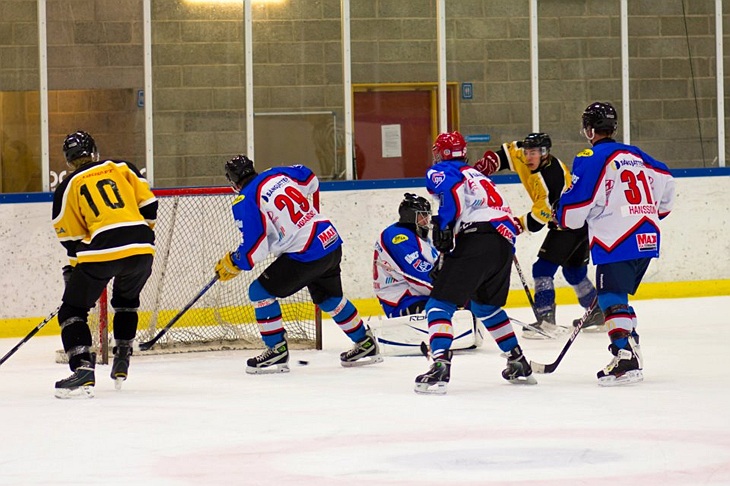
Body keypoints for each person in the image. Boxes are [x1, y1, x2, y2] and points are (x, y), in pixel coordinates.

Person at [213, 155, 383, 374]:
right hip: (329, 239)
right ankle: (366, 343)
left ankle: (276, 350)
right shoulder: (277, 173)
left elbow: (256, 246)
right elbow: (311, 179)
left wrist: (235, 261)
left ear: (233, 181)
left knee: (259, 292)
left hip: (306, 252)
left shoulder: (245, 199)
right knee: (329, 299)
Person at [555, 102, 675, 386]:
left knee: (609, 296)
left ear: (589, 130)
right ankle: (630, 344)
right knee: (618, 297)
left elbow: (575, 209)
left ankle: (625, 356)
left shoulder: (591, 157)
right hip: (646, 236)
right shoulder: (637, 155)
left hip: (616, 238)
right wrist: (652, 211)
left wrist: (561, 216)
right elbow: (667, 180)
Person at [415, 131, 537, 394]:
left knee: (438, 305)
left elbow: (452, 194)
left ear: (441, 153)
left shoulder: (442, 170)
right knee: (486, 307)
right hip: (502, 243)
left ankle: (440, 364)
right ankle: (517, 360)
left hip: (476, 239)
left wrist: (444, 227)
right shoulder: (479, 176)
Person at [52, 131, 157, 398]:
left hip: (101, 251)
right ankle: (122, 355)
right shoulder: (122, 167)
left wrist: (76, 267)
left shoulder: (67, 186)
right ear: (94, 152)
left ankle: (83, 370)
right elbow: (149, 205)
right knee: (126, 300)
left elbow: (70, 237)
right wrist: (138, 237)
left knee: (72, 311)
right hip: (142, 250)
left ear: (68, 160)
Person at [474, 133, 604, 339]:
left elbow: (536, 221)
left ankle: (546, 320)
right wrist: (491, 162)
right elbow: (509, 153)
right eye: (527, 152)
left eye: (533, 153)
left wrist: (514, 225)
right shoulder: (525, 155)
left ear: (544, 153)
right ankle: (597, 311)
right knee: (574, 271)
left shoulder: (551, 178)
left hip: (568, 226)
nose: (528, 157)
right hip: (580, 223)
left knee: (542, 269)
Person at [373, 193, 438, 318]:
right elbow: (417, 275)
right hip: (402, 300)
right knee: (444, 311)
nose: (426, 220)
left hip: (417, 293)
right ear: (410, 216)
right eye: (422, 215)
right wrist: (448, 291)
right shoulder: (398, 237)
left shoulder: (416, 235)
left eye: (427, 215)